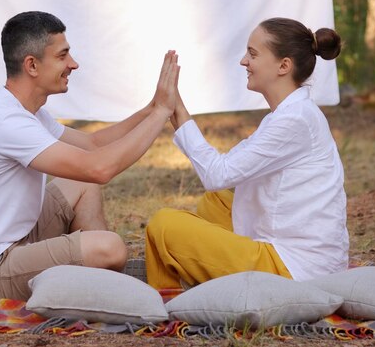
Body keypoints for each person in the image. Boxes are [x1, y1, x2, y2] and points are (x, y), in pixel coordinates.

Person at [0, 11, 180, 301]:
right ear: (32, 65)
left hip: (14, 242)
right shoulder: (9, 123)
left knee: (82, 186)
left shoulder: (26, 111)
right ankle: (106, 280)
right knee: (111, 248)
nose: (73, 64)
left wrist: (152, 109)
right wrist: (163, 113)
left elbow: (91, 144)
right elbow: (99, 168)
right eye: (63, 56)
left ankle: (103, 280)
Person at [145, 17, 349, 289]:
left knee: (164, 225)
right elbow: (227, 171)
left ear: (283, 66)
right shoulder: (290, 114)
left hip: (294, 270)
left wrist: (177, 109)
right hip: (292, 252)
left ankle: (168, 299)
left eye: (252, 54)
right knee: (215, 202)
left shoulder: (295, 120)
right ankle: (200, 273)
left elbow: (218, 173)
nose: (244, 61)